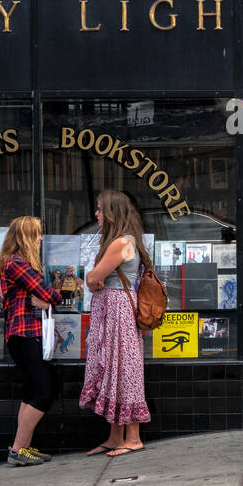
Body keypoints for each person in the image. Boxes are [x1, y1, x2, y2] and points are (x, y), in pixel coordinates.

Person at [79, 189, 152, 456]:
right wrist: (95, 279)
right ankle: (114, 435)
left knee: (123, 370)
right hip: (112, 309)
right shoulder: (122, 241)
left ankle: (133, 438)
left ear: (111, 213)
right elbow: (95, 279)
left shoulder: (120, 243)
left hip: (117, 309)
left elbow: (93, 278)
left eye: (99, 209)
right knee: (114, 369)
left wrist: (94, 278)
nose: (96, 214)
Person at [0, 215, 64, 467]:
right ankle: (18, 449)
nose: (41, 238)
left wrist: (45, 298)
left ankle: (21, 447)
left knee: (32, 391)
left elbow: (44, 296)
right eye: (37, 234)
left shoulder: (18, 263)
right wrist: (51, 296)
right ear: (25, 237)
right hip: (25, 334)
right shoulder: (16, 264)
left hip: (26, 335)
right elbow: (50, 294)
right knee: (46, 390)